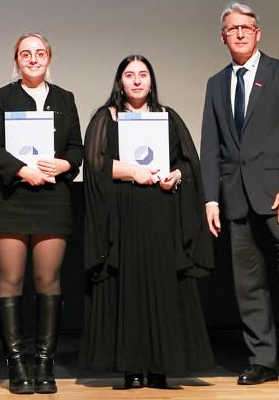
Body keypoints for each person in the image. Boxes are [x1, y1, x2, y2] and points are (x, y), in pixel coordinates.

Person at [200, 2, 279, 393]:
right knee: (248, 285)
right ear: (223, 37)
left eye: (247, 27)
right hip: (235, 198)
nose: (240, 33)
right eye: (232, 29)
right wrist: (211, 199)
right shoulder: (216, 83)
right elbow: (212, 145)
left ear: (259, 33)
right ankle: (262, 360)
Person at [80, 55, 214, 389]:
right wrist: (133, 171)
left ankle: (161, 366)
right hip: (123, 214)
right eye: (130, 75)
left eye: (143, 74)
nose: (137, 80)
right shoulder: (105, 117)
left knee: (162, 285)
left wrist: (175, 176)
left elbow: (188, 163)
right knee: (127, 286)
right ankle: (131, 367)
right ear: (120, 81)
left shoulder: (168, 118)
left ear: (151, 81)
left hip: (162, 211)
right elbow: (95, 165)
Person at [0, 33, 83, 395]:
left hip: (52, 198)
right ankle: (17, 364)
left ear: (49, 58)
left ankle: (44, 363)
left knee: (47, 280)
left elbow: (76, 148)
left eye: (40, 53)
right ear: (17, 59)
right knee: (10, 279)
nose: (33, 59)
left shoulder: (64, 99)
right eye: (26, 53)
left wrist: (64, 163)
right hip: (10, 198)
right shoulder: (2, 97)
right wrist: (23, 170)